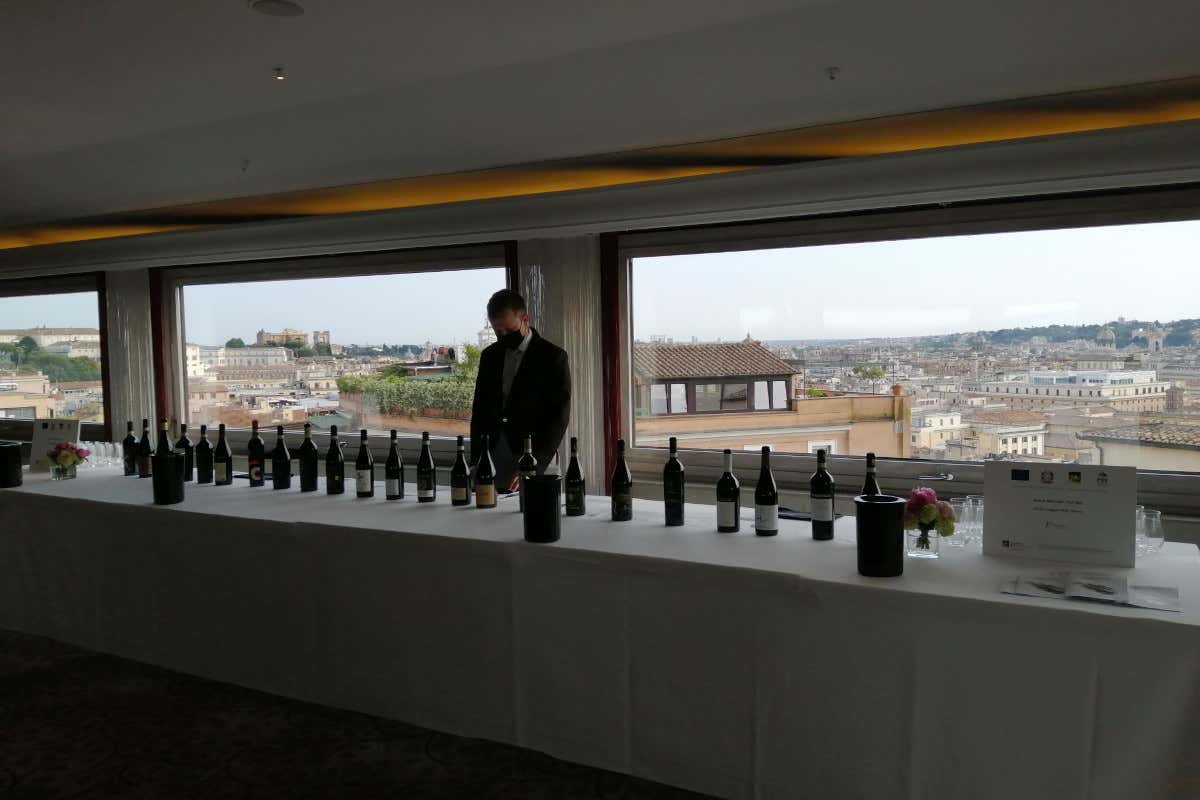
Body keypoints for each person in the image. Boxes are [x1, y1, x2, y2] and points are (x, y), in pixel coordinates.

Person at [470, 289, 571, 491]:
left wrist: (537, 464)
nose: (503, 336)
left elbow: (558, 417)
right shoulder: (489, 356)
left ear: (525, 319)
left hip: (534, 454)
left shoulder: (552, 357)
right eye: (497, 331)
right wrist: (475, 459)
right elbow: (479, 410)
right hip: (492, 455)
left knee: (535, 517)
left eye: (509, 330)